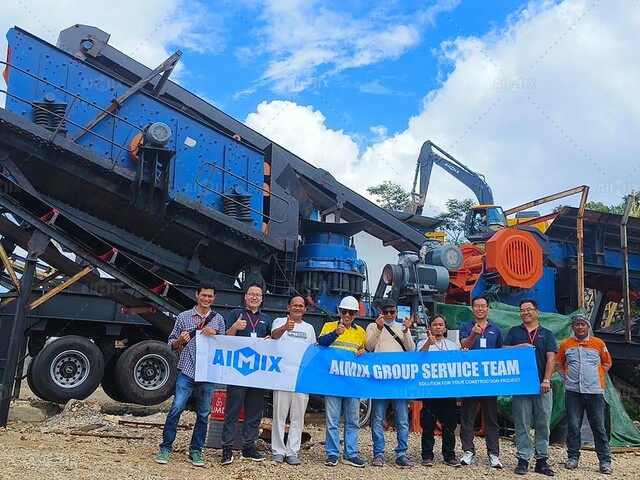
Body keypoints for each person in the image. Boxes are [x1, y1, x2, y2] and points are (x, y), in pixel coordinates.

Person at [155, 282, 225, 467]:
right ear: (197, 295)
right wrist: (179, 340)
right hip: (187, 370)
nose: (206, 299)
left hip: (207, 373)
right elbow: (171, 343)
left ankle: (195, 450)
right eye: (204, 295)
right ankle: (165, 447)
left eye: (210, 296)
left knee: (203, 413)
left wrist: (216, 334)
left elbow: (224, 345)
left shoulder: (218, 319)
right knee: (176, 408)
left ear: (214, 298)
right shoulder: (184, 317)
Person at [503, 299, 557, 476]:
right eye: (522, 310)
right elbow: (503, 350)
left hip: (542, 386)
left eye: (529, 309)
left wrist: (546, 380)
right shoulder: (514, 331)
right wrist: (520, 347)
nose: (525, 313)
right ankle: (523, 459)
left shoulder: (546, 334)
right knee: (522, 423)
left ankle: (542, 460)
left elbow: (551, 358)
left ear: (537, 312)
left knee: (543, 423)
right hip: (521, 386)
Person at [220, 283, 272, 465]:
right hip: (237, 372)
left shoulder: (265, 319)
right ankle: (227, 448)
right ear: (245, 296)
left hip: (257, 374)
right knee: (232, 411)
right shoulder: (236, 314)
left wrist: (269, 340)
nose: (254, 297)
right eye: (251, 294)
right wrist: (235, 327)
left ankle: (248, 447)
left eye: (258, 295)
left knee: (254, 412)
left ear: (262, 298)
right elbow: (226, 338)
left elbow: (271, 343)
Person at [556, 314, 612, 475]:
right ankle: (573, 457)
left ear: (588, 327)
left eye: (583, 324)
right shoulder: (566, 344)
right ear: (573, 327)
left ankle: (605, 461)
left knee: (599, 427)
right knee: (574, 426)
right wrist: (566, 378)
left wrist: (596, 376)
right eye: (577, 324)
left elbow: (607, 362)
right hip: (573, 392)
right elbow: (559, 363)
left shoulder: (598, 343)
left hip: (595, 391)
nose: (580, 327)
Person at [316, 295, 367, 468]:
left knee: (353, 420)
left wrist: (365, 352)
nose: (347, 315)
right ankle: (332, 453)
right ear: (339, 311)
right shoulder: (329, 326)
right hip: (333, 382)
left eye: (351, 312)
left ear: (355, 314)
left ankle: (350, 454)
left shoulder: (361, 332)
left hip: (352, 383)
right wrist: (335, 334)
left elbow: (362, 352)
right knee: (332, 420)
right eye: (344, 311)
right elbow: (320, 343)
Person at [365, 298, 415, 468]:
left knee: (402, 419)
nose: (388, 315)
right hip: (380, 380)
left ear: (396, 312)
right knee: (377, 418)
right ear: (380, 312)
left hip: (399, 380)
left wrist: (407, 331)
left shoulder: (402, 327)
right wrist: (379, 329)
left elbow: (411, 349)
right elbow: (369, 346)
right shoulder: (372, 326)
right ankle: (378, 453)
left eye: (391, 312)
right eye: (385, 312)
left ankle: (402, 453)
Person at [269, 295, 317, 465]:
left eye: (300, 305)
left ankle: (292, 451)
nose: (297, 308)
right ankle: (278, 450)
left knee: (298, 416)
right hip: (282, 376)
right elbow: (273, 337)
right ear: (288, 307)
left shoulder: (309, 328)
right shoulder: (279, 321)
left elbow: (313, 351)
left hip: (301, 378)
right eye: (294, 305)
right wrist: (284, 328)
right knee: (279, 415)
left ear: (305, 309)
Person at [458, 295, 503, 468]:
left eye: (483, 306)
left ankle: (493, 454)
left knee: (491, 418)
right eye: (477, 306)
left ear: (488, 309)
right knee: (467, 416)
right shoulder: (465, 326)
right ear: (472, 308)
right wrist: (473, 334)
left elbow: (501, 353)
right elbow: (464, 346)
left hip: (489, 381)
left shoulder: (495, 330)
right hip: (470, 379)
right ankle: (468, 451)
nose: (480, 309)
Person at [416, 315, 461, 468]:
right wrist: (428, 344)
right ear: (430, 327)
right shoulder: (423, 342)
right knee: (428, 424)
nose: (438, 327)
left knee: (449, 424)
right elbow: (417, 359)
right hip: (430, 390)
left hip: (448, 390)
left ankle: (449, 455)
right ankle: (427, 455)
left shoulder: (452, 345)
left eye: (441, 324)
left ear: (445, 328)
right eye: (435, 324)